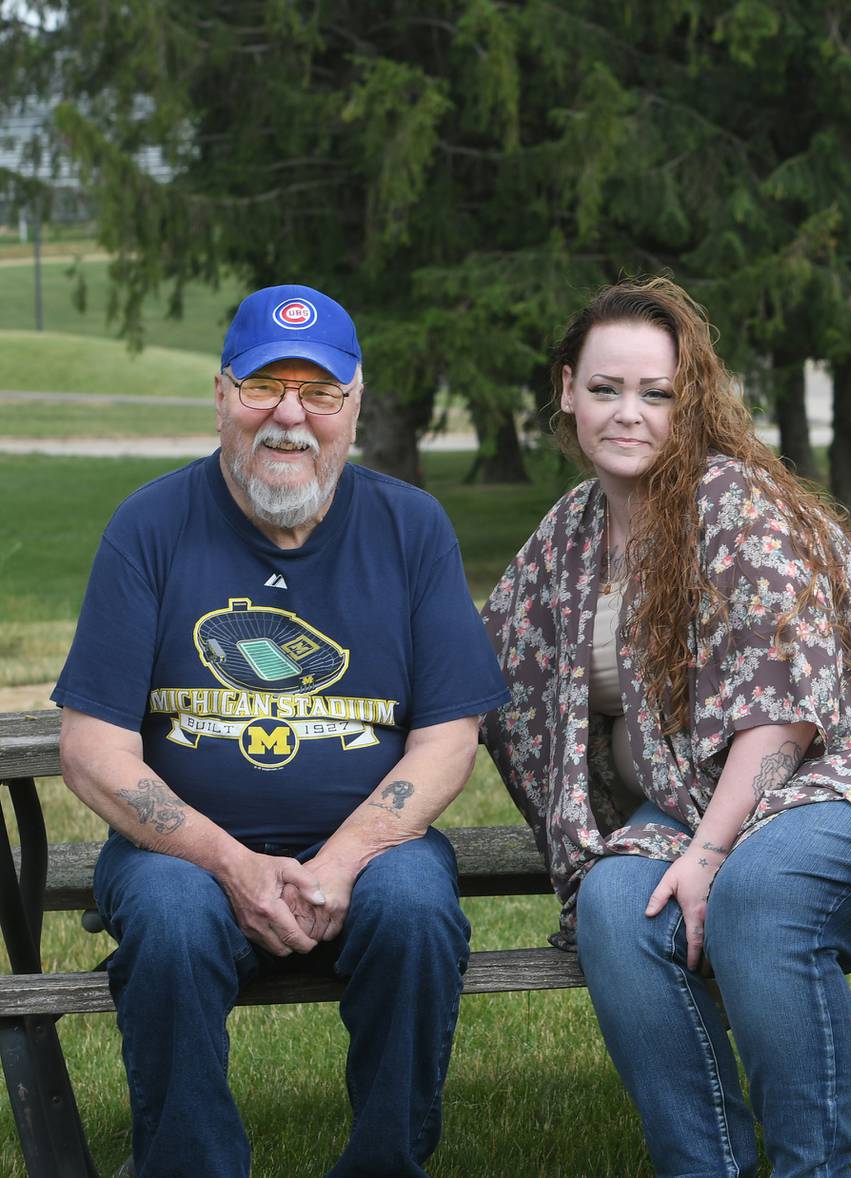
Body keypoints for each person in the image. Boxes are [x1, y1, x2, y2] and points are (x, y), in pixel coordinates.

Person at [480, 276, 851, 1176]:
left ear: (686, 404)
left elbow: (784, 714)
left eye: (655, 394)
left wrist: (707, 852)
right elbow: (480, 668)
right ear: (566, 388)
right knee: (617, 906)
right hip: (699, 801)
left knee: (759, 896)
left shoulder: (732, 503)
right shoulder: (570, 535)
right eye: (607, 389)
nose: (629, 414)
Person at [51, 284, 510, 1178]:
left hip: (372, 850)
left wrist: (339, 863)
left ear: (355, 407)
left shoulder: (412, 529)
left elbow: (450, 737)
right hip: (178, 854)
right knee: (175, 923)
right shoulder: (149, 528)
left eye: (321, 393)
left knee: (418, 912)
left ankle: (386, 1165)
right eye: (265, 386)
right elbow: (91, 747)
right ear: (222, 395)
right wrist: (231, 864)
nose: (289, 418)